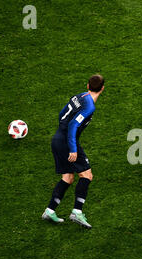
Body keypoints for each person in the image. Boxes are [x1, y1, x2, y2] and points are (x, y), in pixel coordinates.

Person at [42, 74, 105, 229]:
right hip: (67, 142)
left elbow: (62, 114)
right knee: (86, 175)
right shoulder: (89, 106)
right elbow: (72, 126)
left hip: (57, 138)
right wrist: (72, 149)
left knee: (68, 177)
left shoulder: (79, 96)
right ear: (102, 88)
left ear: (87, 86)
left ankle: (49, 211)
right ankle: (77, 211)